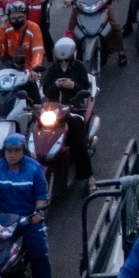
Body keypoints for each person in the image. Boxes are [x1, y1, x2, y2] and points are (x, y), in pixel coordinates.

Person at [0, 134, 51, 278]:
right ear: (4, 152)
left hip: (28, 218)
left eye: (17, 151)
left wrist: (37, 213)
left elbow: (41, 197)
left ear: (23, 151)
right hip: (3, 216)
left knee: (39, 251)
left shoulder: (34, 168)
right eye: (9, 151)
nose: (12, 155)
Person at [36, 36, 96, 182]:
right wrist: (56, 85)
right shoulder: (52, 70)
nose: (63, 63)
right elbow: (47, 91)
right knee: (37, 133)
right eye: (60, 61)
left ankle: (89, 177)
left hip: (73, 109)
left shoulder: (79, 67)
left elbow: (85, 88)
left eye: (67, 60)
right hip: (54, 111)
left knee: (79, 142)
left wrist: (73, 86)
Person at [0, 0, 46, 74]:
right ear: (8, 18)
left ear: (25, 16)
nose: (17, 21)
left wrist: (35, 67)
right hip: (9, 68)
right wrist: (1, 29)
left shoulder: (33, 28)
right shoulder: (5, 28)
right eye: (13, 18)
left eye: (20, 17)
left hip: (28, 69)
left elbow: (38, 50)